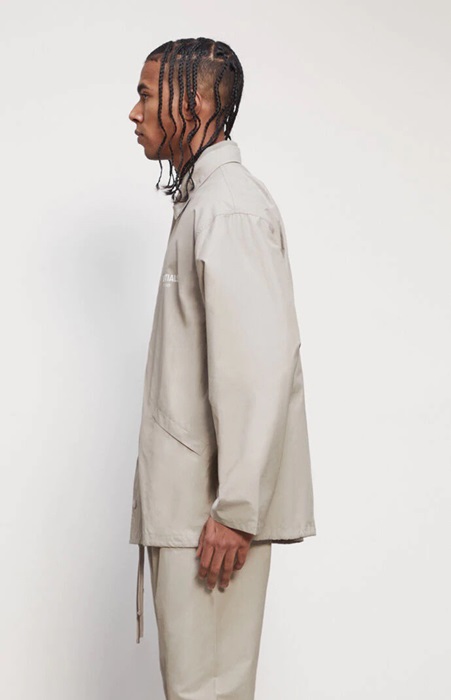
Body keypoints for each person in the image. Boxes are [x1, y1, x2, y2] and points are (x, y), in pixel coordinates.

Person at [128, 36, 316, 700]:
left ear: (197, 103)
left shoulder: (227, 207)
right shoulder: (204, 201)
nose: (134, 112)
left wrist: (236, 508)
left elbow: (259, 365)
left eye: (146, 95)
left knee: (206, 692)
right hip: (192, 512)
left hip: (210, 517)